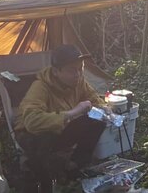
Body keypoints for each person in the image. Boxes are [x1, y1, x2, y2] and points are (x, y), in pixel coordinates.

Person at [14, 44, 107, 191]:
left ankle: (75, 165)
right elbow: (31, 122)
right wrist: (73, 112)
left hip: (61, 127)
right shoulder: (40, 87)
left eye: (80, 68)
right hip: (31, 133)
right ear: (56, 71)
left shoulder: (78, 81)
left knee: (97, 121)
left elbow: (95, 99)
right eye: (71, 70)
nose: (77, 74)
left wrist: (105, 110)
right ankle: (42, 179)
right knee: (44, 138)